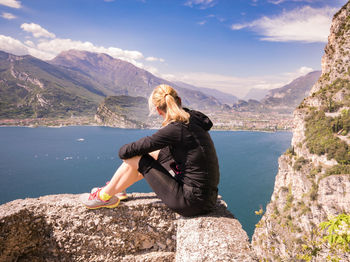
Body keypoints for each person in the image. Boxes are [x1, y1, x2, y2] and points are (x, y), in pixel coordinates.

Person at [80, 84, 220, 217]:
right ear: (180, 101)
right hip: (208, 198)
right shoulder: (193, 119)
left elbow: (124, 152)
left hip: (191, 203)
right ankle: (117, 189)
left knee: (134, 157)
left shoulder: (174, 129)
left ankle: (103, 196)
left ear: (158, 110)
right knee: (156, 153)